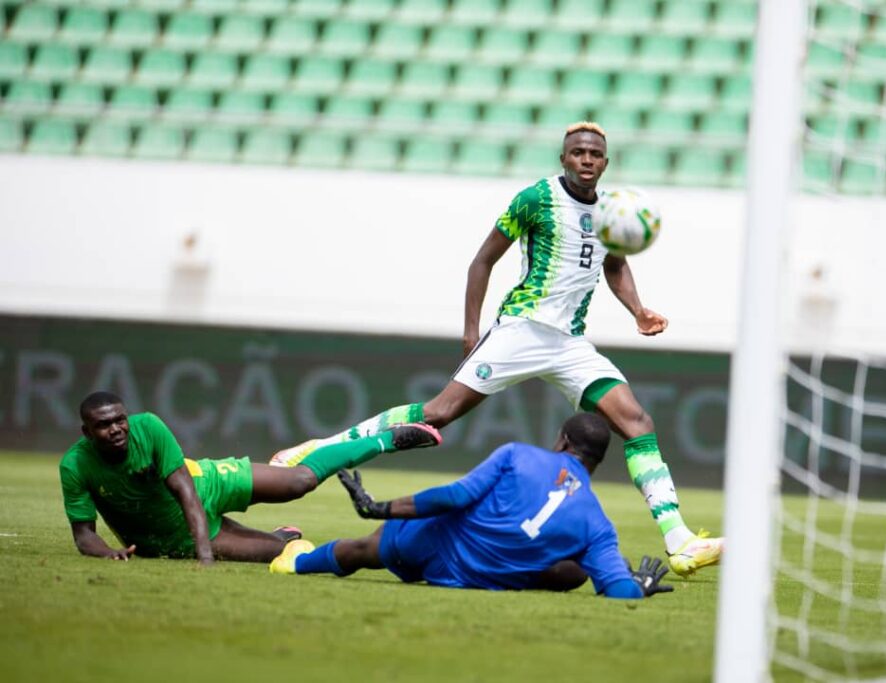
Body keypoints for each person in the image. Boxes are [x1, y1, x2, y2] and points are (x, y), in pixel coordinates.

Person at [271, 122, 722, 576]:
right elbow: (482, 261)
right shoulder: (535, 200)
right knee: (438, 414)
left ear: (606, 162)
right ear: (563, 158)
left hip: (570, 342)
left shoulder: (610, 209)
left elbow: (614, 264)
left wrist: (638, 311)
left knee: (637, 422)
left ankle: (679, 540)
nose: (587, 160)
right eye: (578, 152)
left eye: (595, 154)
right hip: (522, 329)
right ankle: (320, 449)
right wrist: (472, 332)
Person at [270, 414, 674, 600]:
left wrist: (382, 508)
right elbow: (620, 591)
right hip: (481, 577)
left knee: (365, 549)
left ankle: (296, 562)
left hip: (431, 545)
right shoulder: (598, 524)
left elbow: (456, 496)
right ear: (597, 462)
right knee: (575, 569)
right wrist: (636, 586)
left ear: (563, 442)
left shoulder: (518, 454)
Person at [59, 391, 441, 564]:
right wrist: (110, 553)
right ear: (86, 432)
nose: (116, 429)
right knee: (284, 555)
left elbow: (186, 491)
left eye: (119, 420)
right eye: (104, 425)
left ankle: (384, 439)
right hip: (169, 537)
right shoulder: (75, 466)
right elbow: (83, 534)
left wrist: (205, 557)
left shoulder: (149, 429)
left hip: (204, 483)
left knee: (299, 482)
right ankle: (281, 535)